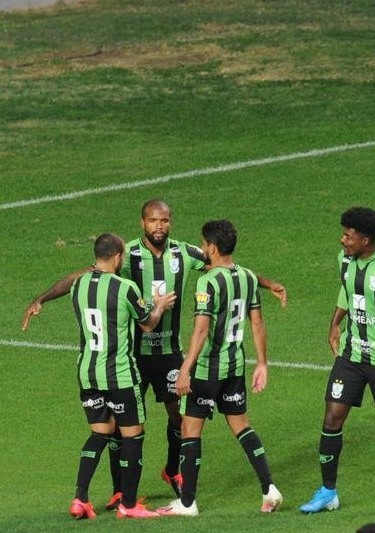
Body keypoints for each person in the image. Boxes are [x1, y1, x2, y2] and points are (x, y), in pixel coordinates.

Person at [22, 199, 286, 509]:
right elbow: (80, 276)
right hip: (133, 355)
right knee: (121, 422)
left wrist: (268, 284)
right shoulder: (128, 253)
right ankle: (120, 491)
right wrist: (41, 298)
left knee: (179, 414)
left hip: (170, 354)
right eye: (152, 220)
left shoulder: (185, 253)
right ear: (142, 223)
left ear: (170, 222)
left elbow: (226, 265)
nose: (159, 226)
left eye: (164, 220)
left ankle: (173, 471)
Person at [301, 207, 375, 516]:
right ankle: (328, 492)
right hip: (352, 356)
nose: (343, 240)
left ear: (365, 240)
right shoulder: (345, 261)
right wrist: (334, 323)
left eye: (348, 236)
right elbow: (347, 291)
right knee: (332, 418)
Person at [158, 219, 283, 516]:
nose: (202, 249)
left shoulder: (208, 282)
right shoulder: (248, 277)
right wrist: (262, 363)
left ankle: (187, 502)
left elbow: (201, 331)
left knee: (190, 431)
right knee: (241, 426)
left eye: (203, 245)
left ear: (212, 248)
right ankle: (269, 488)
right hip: (235, 367)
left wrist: (185, 369)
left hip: (206, 370)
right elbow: (257, 324)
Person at [64, 233, 174, 519]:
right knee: (133, 436)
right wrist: (159, 305)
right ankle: (129, 503)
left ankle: (80, 498)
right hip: (120, 375)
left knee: (99, 434)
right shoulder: (124, 288)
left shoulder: (78, 284)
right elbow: (148, 324)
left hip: (88, 372)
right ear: (117, 257)